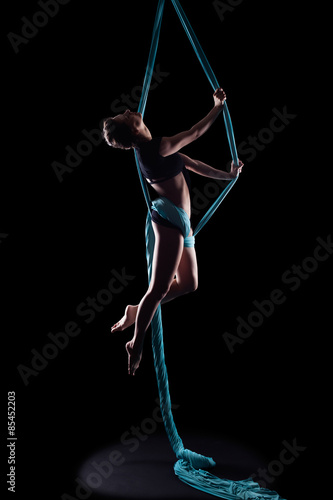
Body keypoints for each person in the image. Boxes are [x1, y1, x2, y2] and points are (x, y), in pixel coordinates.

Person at [103, 88, 244, 375]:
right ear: (132, 129)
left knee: (189, 284)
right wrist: (216, 107)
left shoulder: (157, 148)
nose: (130, 110)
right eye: (125, 115)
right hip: (168, 218)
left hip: (181, 221)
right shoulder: (154, 148)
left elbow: (192, 164)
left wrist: (228, 176)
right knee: (159, 289)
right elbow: (193, 133)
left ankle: (135, 310)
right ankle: (136, 342)